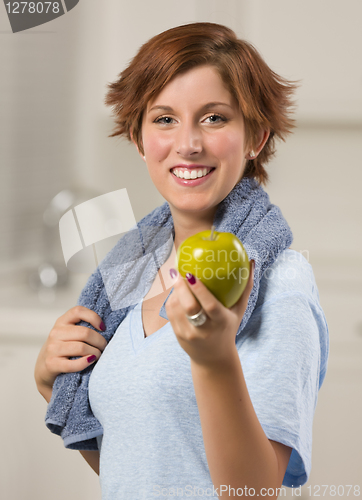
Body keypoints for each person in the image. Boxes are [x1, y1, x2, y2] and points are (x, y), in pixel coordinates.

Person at [34, 22, 329, 499]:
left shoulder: (280, 281)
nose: (188, 143)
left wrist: (214, 360)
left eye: (214, 118)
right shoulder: (126, 279)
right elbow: (142, 468)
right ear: (138, 137)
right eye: (164, 119)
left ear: (255, 137)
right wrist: (53, 384)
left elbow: (253, 494)